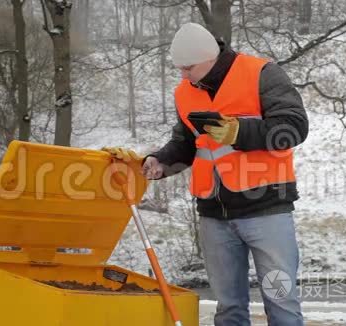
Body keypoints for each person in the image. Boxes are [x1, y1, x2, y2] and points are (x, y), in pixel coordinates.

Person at [104, 22, 308, 326]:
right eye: (180, 69)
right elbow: (185, 144)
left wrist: (239, 131)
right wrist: (159, 162)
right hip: (214, 215)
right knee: (228, 308)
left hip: (267, 210)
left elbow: (294, 126)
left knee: (282, 304)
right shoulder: (185, 93)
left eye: (188, 68)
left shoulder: (262, 74)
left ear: (210, 58)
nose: (183, 75)